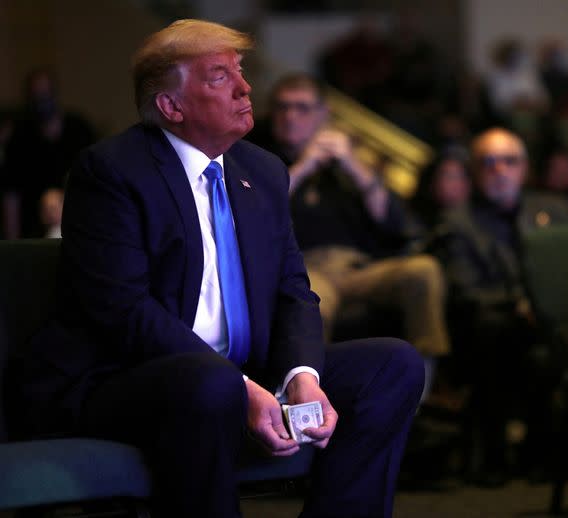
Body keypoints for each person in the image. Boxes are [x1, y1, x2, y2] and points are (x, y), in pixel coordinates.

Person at [6, 19, 424, 518]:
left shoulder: (263, 171)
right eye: (220, 76)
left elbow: (292, 288)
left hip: (237, 373)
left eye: (241, 71)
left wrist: (301, 375)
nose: (247, 88)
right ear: (171, 106)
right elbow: (122, 311)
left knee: (392, 365)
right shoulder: (111, 172)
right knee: (213, 384)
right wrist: (241, 386)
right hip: (122, 379)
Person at [249, 73, 450, 401]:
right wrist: (304, 164)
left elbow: (392, 220)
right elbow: (257, 213)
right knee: (311, 302)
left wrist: (352, 164)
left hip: (358, 269)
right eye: (283, 107)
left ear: (323, 114)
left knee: (424, 270)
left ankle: (421, 393)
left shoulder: (346, 165)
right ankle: (319, 402)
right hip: (305, 269)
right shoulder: (260, 160)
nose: (290, 116)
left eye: (302, 108)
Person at [426, 127, 568, 487]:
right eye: (488, 162)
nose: (499, 170)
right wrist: (521, 305)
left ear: (524, 168)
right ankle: (495, 457)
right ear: (474, 172)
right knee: (495, 331)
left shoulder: (552, 210)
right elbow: (466, 291)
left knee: (550, 346)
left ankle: (543, 455)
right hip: (488, 328)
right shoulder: (458, 222)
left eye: (509, 161)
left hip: (548, 323)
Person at [2, 68, 95, 238]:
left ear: (55, 93)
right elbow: (11, 196)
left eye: (45, 93)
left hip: (77, 225)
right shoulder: (20, 136)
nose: (41, 100)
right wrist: (12, 244)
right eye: (36, 95)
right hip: (32, 230)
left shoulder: (79, 130)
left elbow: (95, 183)